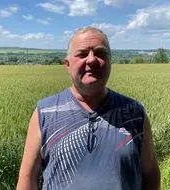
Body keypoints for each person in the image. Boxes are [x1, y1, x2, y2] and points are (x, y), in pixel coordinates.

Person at [16, 26, 161, 190]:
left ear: (110, 61)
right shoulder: (45, 113)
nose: (91, 60)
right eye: (82, 54)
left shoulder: (135, 113)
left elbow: (151, 174)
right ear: (67, 64)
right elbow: (27, 179)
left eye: (100, 53)